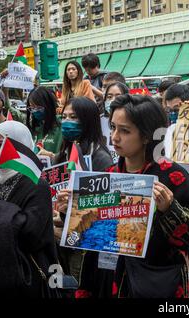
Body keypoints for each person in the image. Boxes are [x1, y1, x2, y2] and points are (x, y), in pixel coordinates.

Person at [93, 94, 189, 298]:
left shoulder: (173, 176)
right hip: (112, 278)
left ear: (147, 136)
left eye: (125, 131)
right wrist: (73, 212)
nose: (114, 137)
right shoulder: (109, 174)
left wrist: (170, 209)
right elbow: (95, 232)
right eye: (113, 127)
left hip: (158, 283)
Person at [0, 121, 59, 297]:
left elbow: (31, 236)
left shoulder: (37, 186)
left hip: (26, 277)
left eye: (0, 144)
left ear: (21, 148)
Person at [53, 97, 113, 288]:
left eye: (74, 117)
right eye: (64, 116)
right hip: (64, 242)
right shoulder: (63, 154)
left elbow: (104, 208)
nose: (67, 122)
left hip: (87, 247)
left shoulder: (101, 159)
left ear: (87, 121)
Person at [26, 87, 63, 158]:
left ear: (49, 106)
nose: (35, 111)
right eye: (32, 108)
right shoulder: (32, 127)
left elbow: (70, 159)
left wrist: (52, 156)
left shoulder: (62, 126)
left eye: (38, 107)